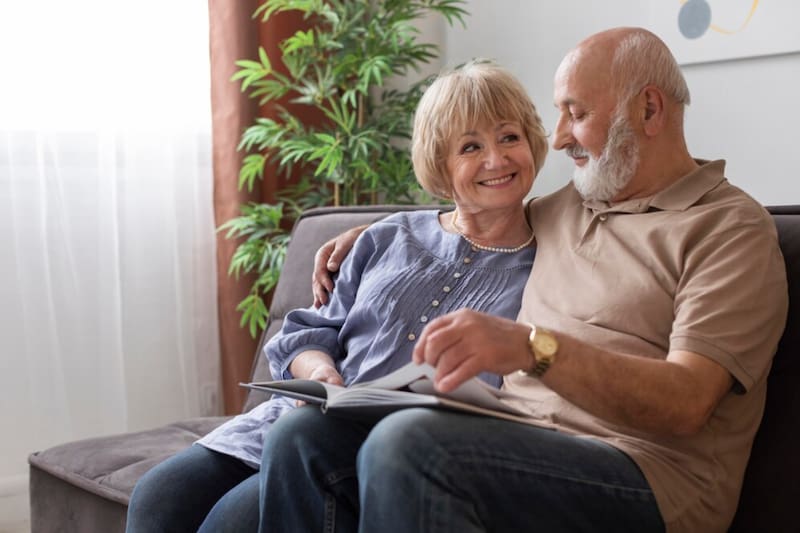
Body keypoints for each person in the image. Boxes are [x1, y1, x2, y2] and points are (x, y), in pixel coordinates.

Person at [260, 27, 788, 533]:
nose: (557, 139)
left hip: (644, 472)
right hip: (512, 439)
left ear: (648, 110)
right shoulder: (568, 207)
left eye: (575, 115)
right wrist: (378, 234)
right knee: (305, 434)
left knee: (409, 443)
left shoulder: (729, 228)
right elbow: (474, 209)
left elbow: (688, 401)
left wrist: (532, 348)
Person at [125, 60, 550, 532]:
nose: (497, 159)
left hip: (388, 449)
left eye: (509, 137)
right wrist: (321, 373)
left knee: (228, 524)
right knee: (158, 497)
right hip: (298, 420)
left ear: (532, 141)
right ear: (440, 163)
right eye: (471, 146)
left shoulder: (551, 264)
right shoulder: (388, 237)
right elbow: (307, 332)